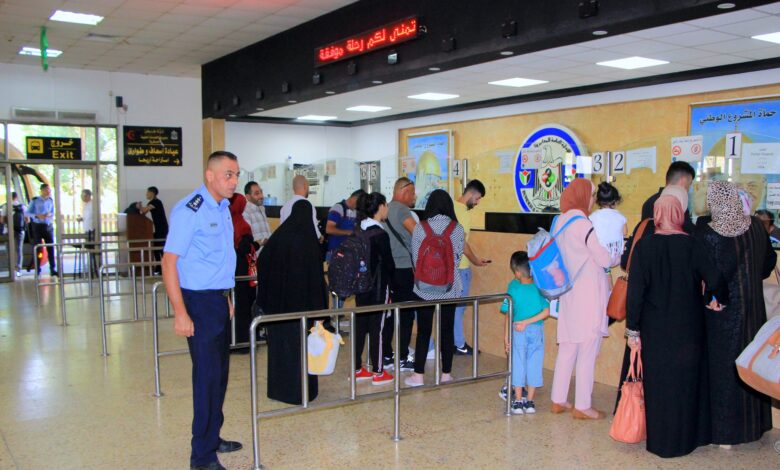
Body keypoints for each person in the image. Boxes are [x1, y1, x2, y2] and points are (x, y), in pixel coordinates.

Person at [624, 187, 727, 458]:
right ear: (679, 214)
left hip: (655, 328)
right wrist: (719, 299)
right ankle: (687, 439)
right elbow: (715, 278)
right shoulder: (692, 244)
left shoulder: (645, 247)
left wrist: (633, 330)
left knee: (659, 384)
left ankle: (661, 442)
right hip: (689, 327)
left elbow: (635, 293)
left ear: (657, 214)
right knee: (686, 382)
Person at [162, 151, 243, 470]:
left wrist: (226, 296)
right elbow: (169, 263)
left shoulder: (222, 208)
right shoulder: (190, 209)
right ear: (210, 176)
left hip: (217, 299)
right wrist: (180, 312)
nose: (234, 181)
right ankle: (202, 456)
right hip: (197, 302)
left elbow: (219, 259)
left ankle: (212, 436)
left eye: (236, 175)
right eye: (228, 175)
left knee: (220, 376)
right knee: (207, 379)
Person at [695, 181, 776, 447]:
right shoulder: (756, 227)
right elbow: (769, 263)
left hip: (723, 313)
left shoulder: (710, 233)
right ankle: (756, 425)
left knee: (725, 369)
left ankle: (727, 434)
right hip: (754, 308)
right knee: (751, 360)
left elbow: (709, 274)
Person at [549, 178, 614, 419]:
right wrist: (616, 255)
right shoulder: (583, 224)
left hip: (568, 292)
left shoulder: (560, 221)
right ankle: (583, 406)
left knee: (568, 346)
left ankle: (558, 399)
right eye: (592, 194)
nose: (593, 199)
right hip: (589, 294)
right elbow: (604, 259)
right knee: (587, 348)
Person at [257, 199, 325, 404]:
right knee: (301, 352)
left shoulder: (279, 237)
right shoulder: (309, 243)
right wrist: (320, 311)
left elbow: (262, 261)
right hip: (302, 310)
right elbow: (316, 280)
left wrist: (268, 294)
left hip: (278, 308)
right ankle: (302, 392)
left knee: (280, 350)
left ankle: (279, 390)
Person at [405, 189, 465, 387]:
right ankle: (446, 375)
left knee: (423, 331)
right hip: (449, 287)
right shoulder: (457, 228)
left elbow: (416, 258)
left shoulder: (420, 228)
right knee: (446, 330)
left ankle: (418, 376)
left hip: (423, 288)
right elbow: (457, 259)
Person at [352, 192, 396, 385]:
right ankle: (378, 371)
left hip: (361, 287)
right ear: (380, 207)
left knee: (361, 326)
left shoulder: (358, 230)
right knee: (377, 328)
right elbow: (389, 264)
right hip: (378, 287)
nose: (387, 209)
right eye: (386, 205)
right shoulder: (380, 234)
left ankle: (356, 369)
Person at [500, 251, 550, 415]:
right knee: (535, 363)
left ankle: (518, 400)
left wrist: (506, 337)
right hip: (536, 331)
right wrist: (529, 322)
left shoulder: (513, 287)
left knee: (518, 363)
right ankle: (530, 401)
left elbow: (508, 314)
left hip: (518, 330)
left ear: (517, 272)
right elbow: (546, 312)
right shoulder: (539, 286)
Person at [622, 161, 696, 269]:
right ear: (683, 181)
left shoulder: (649, 202)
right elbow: (689, 234)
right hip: (672, 266)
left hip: (649, 267)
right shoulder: (678, 204)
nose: (688, 190)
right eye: (688, 185)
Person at [451, 180, 490, 356]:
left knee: (451, 308)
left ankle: (452, 342)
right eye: (478, 198)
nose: (477, 202)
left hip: (450, 267)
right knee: (459, 308)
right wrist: (475, 261)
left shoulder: (450, 206)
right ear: (471, 194)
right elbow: (462, 244)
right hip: (461, 268)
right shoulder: (464, 214)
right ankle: (459, 344)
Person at [385, 177, 420, 371]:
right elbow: (418, 233)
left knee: (390, 313)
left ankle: (387, 355)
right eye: (412, 193)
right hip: (404, 269)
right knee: (406, 314)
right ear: (404, 191)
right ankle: (402, 356)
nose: (414, 197)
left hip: (389, 269)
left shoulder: (385, 209)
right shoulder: (402, 210)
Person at [229, 193, 258, 352]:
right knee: (243, 304)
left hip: (228, 269)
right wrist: (256, 245)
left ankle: (230, 340)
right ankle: (243, 341)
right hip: (241, 270)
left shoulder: (225, 221)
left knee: (230, 304)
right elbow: (245, 247)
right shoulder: (241, 224)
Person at [588, 182, 627, 261]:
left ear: (597, 200)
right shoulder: (621, 216)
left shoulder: (592, 217)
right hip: (616, 256)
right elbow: (625, 232)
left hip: (599, 256)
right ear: (615, 201)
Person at [26, 183, 57, 276]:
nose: (49, 191)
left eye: (49, 190)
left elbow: (52, 212)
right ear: (42, 190)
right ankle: (37, 268)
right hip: (38, 226)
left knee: (50, 247)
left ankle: (53, 269)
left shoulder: (50, 201)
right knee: (38, 248)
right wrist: (37, 216)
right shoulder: (35, 201)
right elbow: (27, 213)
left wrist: (49, 215)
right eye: (47, 189)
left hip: (48, 226)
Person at [325, 189, 363, 261]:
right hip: (335, 253)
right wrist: (348, 232)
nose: (359, 206)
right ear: (355, 199)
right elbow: (329, 229)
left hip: (349, 253)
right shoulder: (338, 208)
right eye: (360, 204)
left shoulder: (355, 212)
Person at [280, 174, 321, 240]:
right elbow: (314, 231)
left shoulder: (284, 208)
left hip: (287, 244)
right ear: (305, 186)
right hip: (303, 244)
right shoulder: (308, 206)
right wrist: (320, 237)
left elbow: (282, 231)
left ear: (293, 188)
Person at [139, 186, 169, 269]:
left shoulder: (156, 202)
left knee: (160, 248)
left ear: (152, 193)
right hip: (158, 229)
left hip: (162, 229)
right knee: (156, 248)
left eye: (147, 192)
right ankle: (159, 267)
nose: (146, 194)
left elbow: (144, 210)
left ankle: (165, 267)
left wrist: (139, 206)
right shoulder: (151, 202)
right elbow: (143, 212)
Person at [243, 181, 271, 249]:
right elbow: (247, 240)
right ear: (248, 197)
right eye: (257, 193)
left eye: (261, 192)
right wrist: (263, 242)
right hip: (256, 254)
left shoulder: (261, 209)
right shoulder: (246, 212)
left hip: (267, 252)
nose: (261, 196)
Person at [5, 192, 27, 277]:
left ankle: (10, 268)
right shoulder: (23, 206)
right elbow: (28, 219)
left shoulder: (5, 206)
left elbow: (2, 220)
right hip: (20, 230)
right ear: (16, 197)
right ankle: (19, 269)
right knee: (19, 249)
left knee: (9, 249)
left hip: (8, 230)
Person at [77, 189, 98, 276]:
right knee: (89, 249)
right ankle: (90, 266)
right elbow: (87, 217)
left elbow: (92, 217)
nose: (82, 198)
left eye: (84, 196)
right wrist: (81, 219)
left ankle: (94, 268)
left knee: (91, 248)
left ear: (88, 196)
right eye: (81, 196)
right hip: (86, 229)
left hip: (91, 229)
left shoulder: (93, 205)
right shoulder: (86, 205)